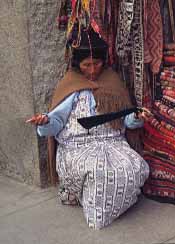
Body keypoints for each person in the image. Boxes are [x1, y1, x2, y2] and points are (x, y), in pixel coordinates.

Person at [26, 27, 149, 229]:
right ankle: (97, 215)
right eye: (86, 65)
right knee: (96, 172)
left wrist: (136, 117)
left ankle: (99, 205)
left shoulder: (113, 81)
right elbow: (56, 122)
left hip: (112, 143)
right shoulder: (69, 84)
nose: (92, 70)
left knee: (134, 167)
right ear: (77, 64)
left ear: (104, 61)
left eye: (97, 63)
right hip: (77, 147)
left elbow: (126, 120)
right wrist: (45, 122)